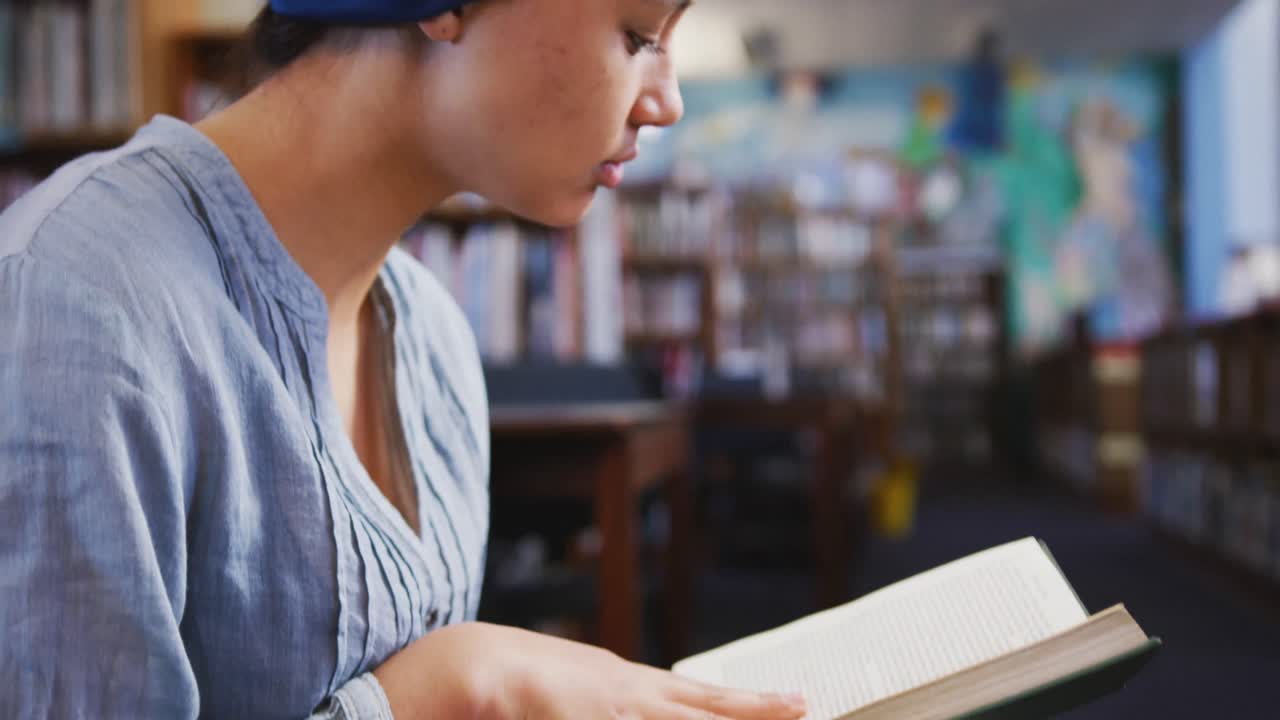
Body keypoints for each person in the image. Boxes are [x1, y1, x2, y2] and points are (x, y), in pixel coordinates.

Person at [0, 1, 810, 718]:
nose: (667, 101)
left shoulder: (433, 338)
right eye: (637, 35)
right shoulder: (69, 306)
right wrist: (451, 692)